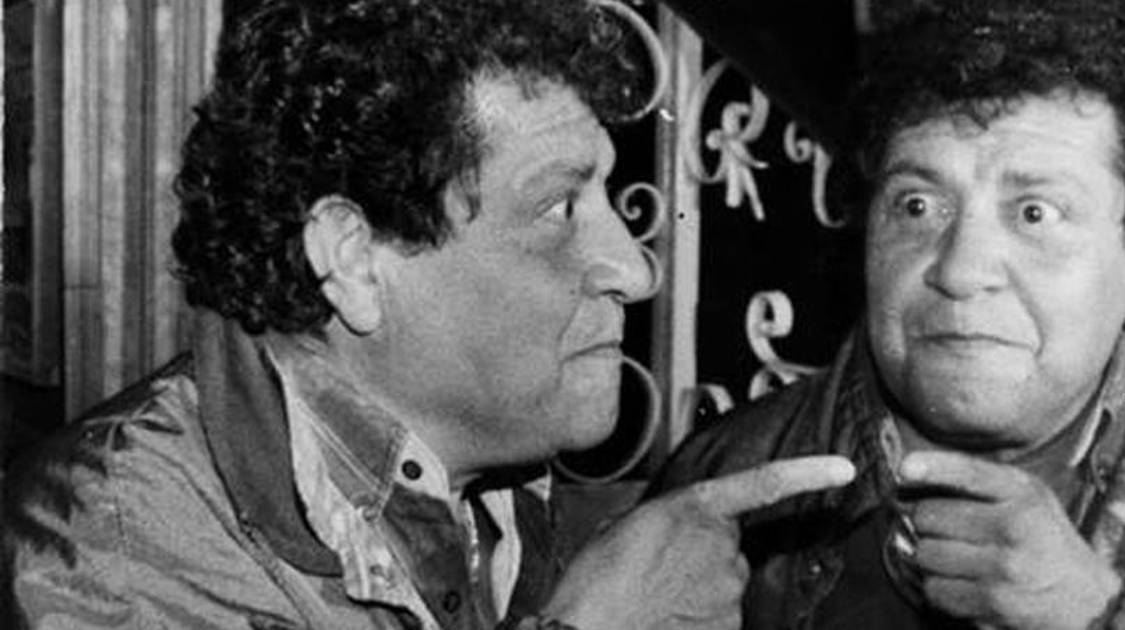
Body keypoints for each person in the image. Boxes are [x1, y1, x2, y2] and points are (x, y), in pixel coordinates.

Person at [1, 1, 857, 628]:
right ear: (354, 259)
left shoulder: (493, 475)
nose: (633, 270)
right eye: (559, 209)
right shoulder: (112, 544)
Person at [650, 1, 1125, 628]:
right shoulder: (719, 492)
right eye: (916, 206)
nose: (960, 270)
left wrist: (1106, 618)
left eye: (1034, 213)